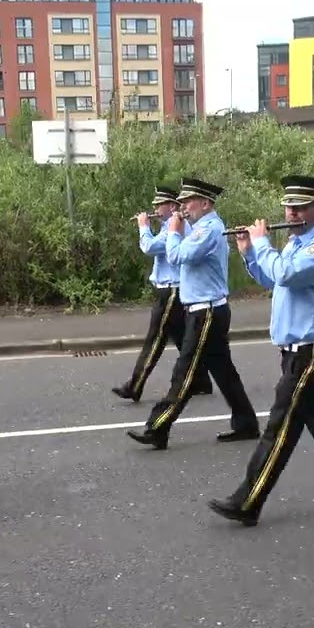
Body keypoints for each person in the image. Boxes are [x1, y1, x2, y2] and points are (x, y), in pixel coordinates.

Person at [206, 175, 314, 526]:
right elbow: (274, 280)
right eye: (288, 207)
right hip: (295, 350)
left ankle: (247, 501)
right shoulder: (297, 241)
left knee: (280, 427)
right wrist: (250, 254)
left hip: (310, 350)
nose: (291, 213)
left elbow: (288, 274)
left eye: (300, 208)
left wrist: (262, 243)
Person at [126, 177, 260, 450]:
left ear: (206, 204)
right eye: (182, 202)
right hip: (204, 309)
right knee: (224, 372)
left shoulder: (208, 230)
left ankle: (157, 427)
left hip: (206, 312)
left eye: (188, 202)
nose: (183, 207)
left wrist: (173, 230)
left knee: (184, 371)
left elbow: (176, 256)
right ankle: (246, 423)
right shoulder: (201, 228)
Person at [112, 185, 213, 402]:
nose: (155, 209)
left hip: (171, 290)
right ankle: (201, 380)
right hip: (170, 289)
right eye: (155, 205)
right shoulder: (169, 226)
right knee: (181, 337)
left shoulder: (174, 228)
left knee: (155, 338)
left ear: (172, 207)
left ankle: (135, 385)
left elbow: (149, 247)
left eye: (160, 205)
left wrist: (143, 226)